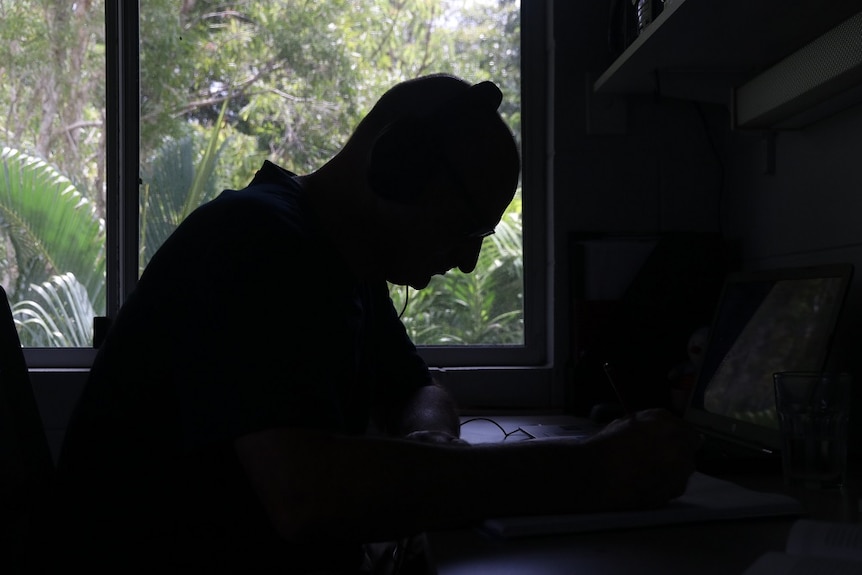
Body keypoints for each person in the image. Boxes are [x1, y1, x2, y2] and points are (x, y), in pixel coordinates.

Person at [47, 74, 700, 573]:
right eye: (469, 225)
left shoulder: (341, 263)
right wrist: (592, 469)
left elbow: (417, 387)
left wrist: (431, 442)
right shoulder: (256, 242)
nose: (470, 260)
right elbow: (307, 497)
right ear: (399, 172)